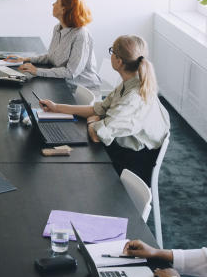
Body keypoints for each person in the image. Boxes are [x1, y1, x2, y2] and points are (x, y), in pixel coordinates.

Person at [38, 34, 169, 184]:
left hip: (131, 162)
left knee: (68, 170)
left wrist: (92, 122)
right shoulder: (130, 82)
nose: (111, 54)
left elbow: (96, 135)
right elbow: (97, 110)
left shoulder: (133, 99)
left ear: (119, 61)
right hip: (123, 147)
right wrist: (56, 107)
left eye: (112, 51)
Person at [7, 0, 105, 96]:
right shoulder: (58, 28)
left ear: (64, 9)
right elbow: (52, 57)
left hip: (82, 90)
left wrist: (37, 71)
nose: (53, 4)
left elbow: (70, 72)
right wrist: (25, 59)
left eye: (56, 2)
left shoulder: (81, 34)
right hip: (63, 83)